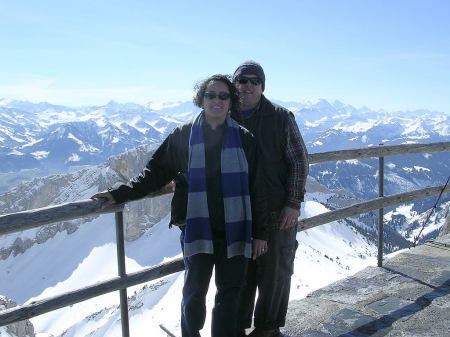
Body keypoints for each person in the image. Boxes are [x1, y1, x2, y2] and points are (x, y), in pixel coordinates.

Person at [91, 74, 268, 337]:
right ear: (201, 99)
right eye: (211, 95)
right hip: (197, 227)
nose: (216, 100)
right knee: (194, 292)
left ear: (231, 101)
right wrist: (120, 193)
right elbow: (154, 173)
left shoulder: (245, 139)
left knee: (229, 294)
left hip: (236, 229)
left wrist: (261, 233)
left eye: (223, 96)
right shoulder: (183, 135)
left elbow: (259, 189)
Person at [231, 61, 309, 337]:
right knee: (241, 271)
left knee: (275, 270)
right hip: (238, 210)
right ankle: (237, 325)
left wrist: (293, 203)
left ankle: (268, 328)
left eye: (254, 81)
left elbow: (299, 161)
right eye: (242, 80)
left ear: (262, 86)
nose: (247, 85)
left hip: (277, 209)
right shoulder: (224, 116)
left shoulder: (281, 117)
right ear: (235, 84)